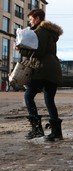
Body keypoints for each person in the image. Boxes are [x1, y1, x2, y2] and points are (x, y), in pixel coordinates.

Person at [16, 9, 64, 141]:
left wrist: (22, 50)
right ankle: (56, 132)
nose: (30, 21)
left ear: (37, 18)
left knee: (28, 95)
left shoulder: (41, 31)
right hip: (52, 69)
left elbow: (39, 51)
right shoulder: (49, 32)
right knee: (49, 100)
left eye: (31, 19)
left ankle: (37, 129)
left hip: (44, 69)